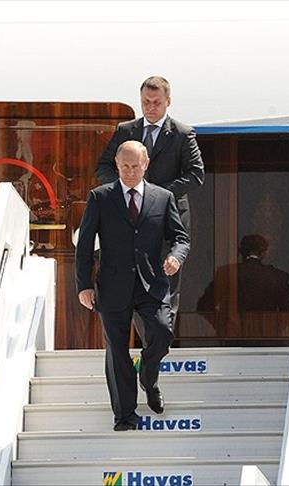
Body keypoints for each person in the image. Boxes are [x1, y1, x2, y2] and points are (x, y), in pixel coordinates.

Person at [77, 140, 190, 431]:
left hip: (151, 283)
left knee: (162, 332)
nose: (129, 172)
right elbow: (85, 244)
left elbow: (180, 238)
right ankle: (125, 415)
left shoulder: (163, 198)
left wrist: (175, 257)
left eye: (135, 166)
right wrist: (83, 285)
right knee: (117, 351)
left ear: (146, 165)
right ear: (116, 165)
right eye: (124, 166)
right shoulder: (100, 197)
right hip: (112, 285)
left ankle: (148, 380)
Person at [96, 76, 204, 337]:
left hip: (168, 219)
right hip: (132, 220)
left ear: (168, 101)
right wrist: (124, 187)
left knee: (166, 285)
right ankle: (150, 345)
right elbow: (103, 168)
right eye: (146, 102)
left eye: (156, 102)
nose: (150, 107)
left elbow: (196, 175)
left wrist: (156, 193)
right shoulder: (126, 130)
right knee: (135, 283)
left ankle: (159, 344)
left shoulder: (182, 133)